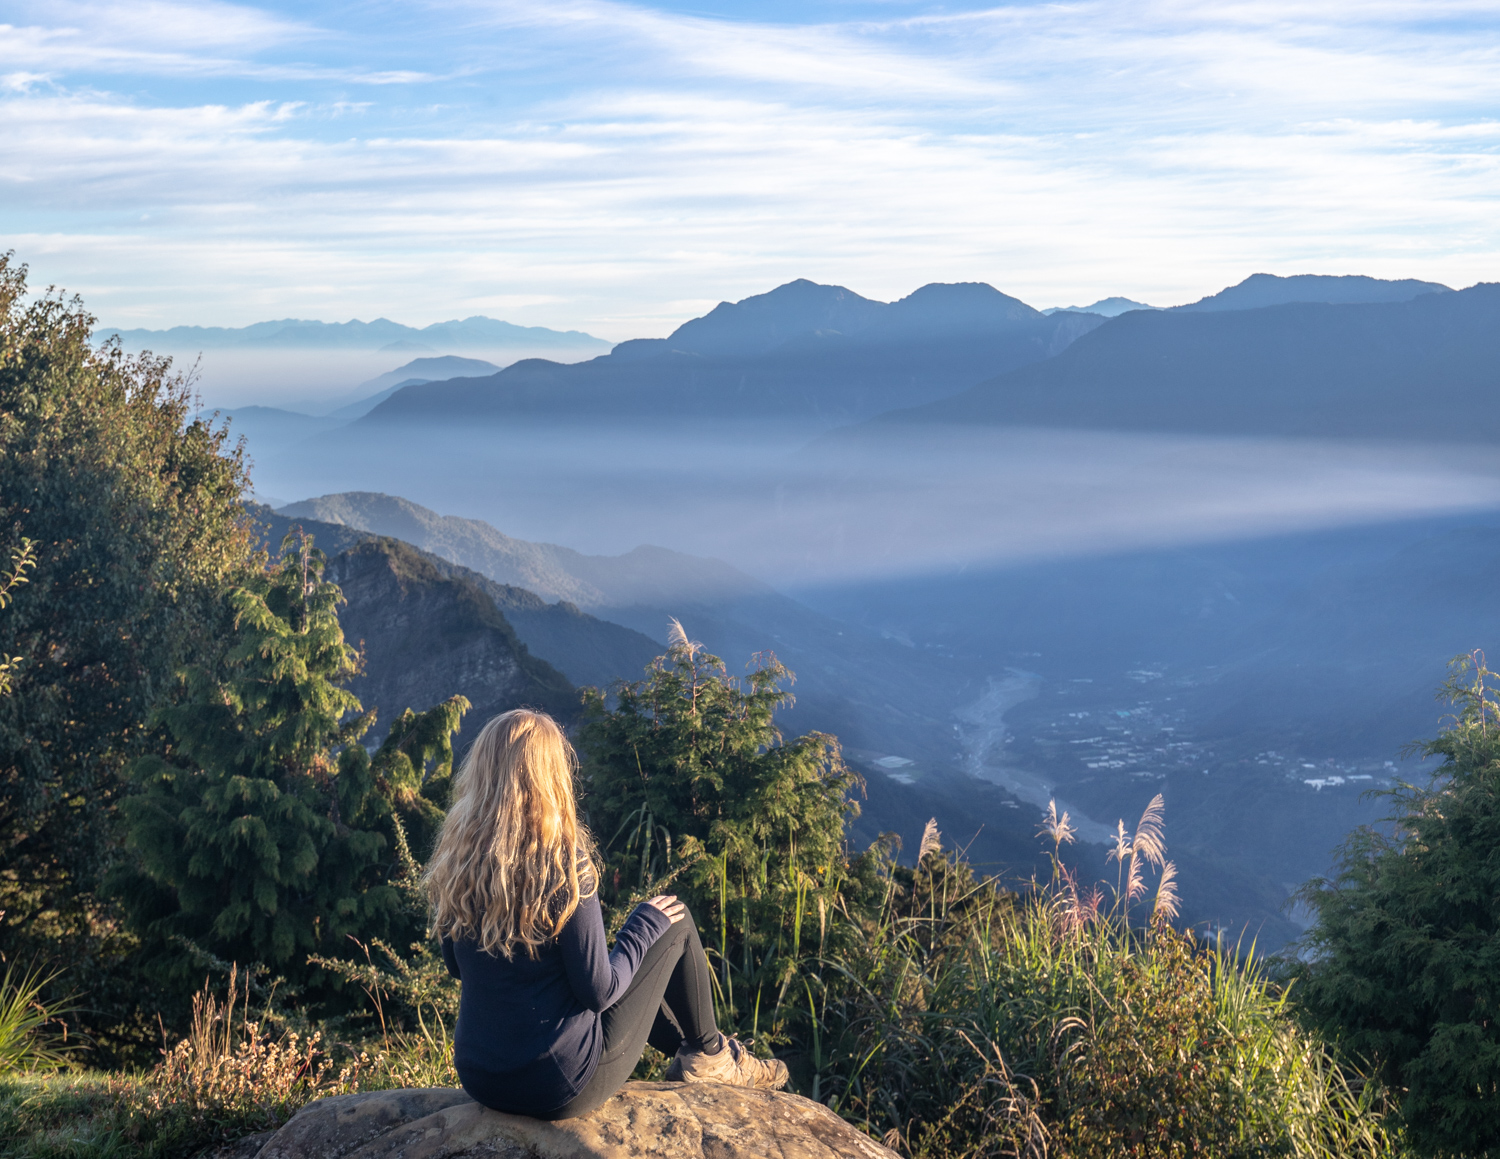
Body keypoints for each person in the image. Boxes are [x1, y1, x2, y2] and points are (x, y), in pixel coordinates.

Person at [423, 708, 788, 1119]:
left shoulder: (460, 862)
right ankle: (714, 1055)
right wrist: (641, 928)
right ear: (551, 776)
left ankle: (705, 1051)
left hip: (481, 1077)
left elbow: (457, 966)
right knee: (675, 919)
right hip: (558, 1085)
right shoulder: (563, 864)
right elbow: (599, 992)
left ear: (482, 773)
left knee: (632, 961)